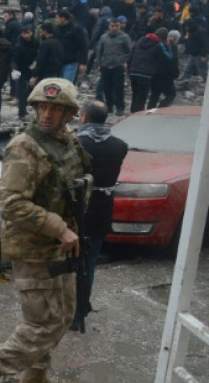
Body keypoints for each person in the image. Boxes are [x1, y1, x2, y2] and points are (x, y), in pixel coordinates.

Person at [0, 78, 91, 383]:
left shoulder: (68, 141)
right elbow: (10, 204)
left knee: (63, 316)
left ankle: (35, 374)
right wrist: (59, 228)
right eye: (42, 107)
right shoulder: (24, 147)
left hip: (63, 245)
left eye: (56, 109)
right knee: (42, 323)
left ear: (69, 112)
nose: (47, 114)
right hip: (34, 249)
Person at [70, 101, 128, 332]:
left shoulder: (76, 143)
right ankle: (82, 306)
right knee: (90, 261)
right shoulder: (119, 146)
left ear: (84, 118)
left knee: (70, 263)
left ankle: (72, 311)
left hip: (77, 210)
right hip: (103, 209)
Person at [96, 17, 132, 115]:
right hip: (106, 65)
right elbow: (99, 51)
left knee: (118, 87)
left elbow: (129, 51)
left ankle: (120, 107)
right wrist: (99, 63)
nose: (114, 28)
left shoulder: (124, 37)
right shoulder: (104, 37)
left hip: (118, 66)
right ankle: (109, 106)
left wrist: (125, 62)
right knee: (107, 87)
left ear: (119, 26)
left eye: (116, 26)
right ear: (109, 26)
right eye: (112, 26)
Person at [127, 30, 168, 113]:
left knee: (135, 94)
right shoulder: (158, 45)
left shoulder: (139, 42)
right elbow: (165, 58)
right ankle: (137, 115)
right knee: (141, 97)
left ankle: (132, 113)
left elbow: (130, 56)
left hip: (133, 71)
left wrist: (129, 70)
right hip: (145, 73)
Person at [11, 26, 38, 120]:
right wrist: (14, 69)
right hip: (21, 69)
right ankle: (21, 113)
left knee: (31, 90)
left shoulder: (35, 42)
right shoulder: (19, 45)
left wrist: (35, 62)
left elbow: (38, 53)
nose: (26, 35)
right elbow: (14, 59)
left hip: (31, 69)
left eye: (28, 32)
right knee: (21, 91)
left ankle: (24, 107)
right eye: (24, 33)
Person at [31, 22, 64, 87]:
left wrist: (34, 76)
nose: (40, 35)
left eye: (41, 32)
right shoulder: (58, 43)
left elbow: (41, 61)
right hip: (57, 74)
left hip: (45, 75)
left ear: (45, 31)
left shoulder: (45, 44)